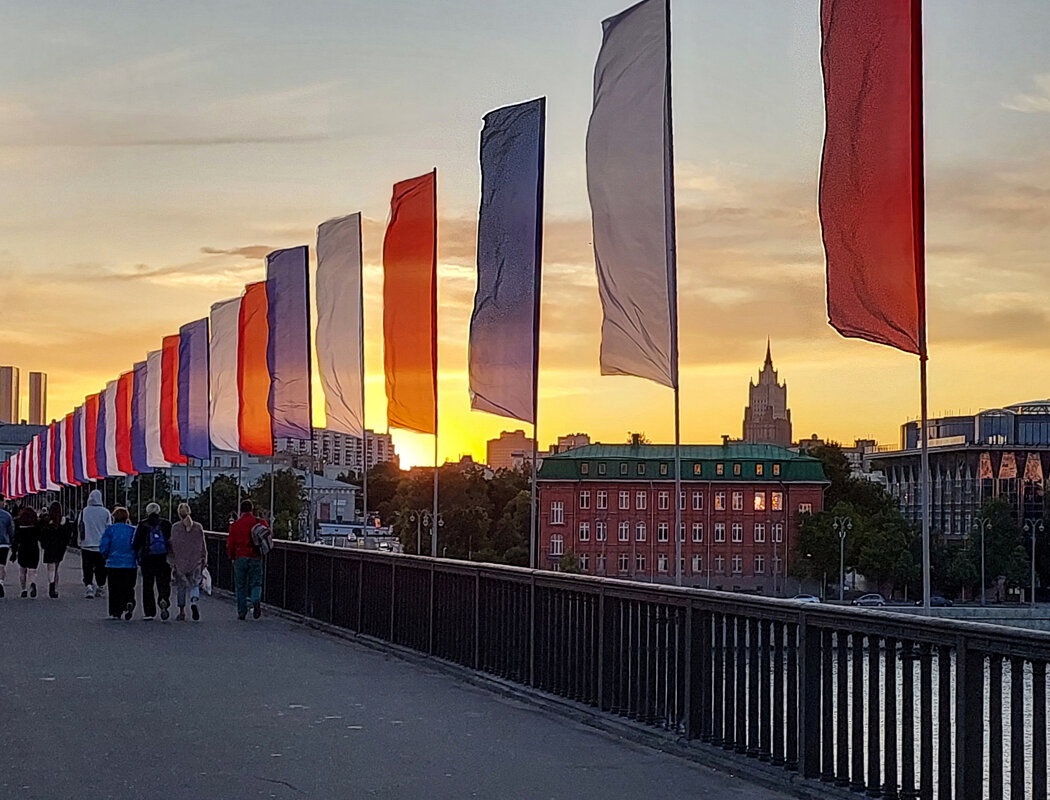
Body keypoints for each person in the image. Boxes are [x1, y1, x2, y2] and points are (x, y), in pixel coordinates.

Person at [227, 499, 266, 620]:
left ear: (241, 510)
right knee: (256, 582)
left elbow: (230, 544)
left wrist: (232, 557)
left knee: (241, 586)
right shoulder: (260, 522)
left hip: (240, 557)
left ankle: (242, 612)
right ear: (252, 509)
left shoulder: (235, 525)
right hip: (256, 556)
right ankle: (255, 599)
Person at [133, 502, 172, 621]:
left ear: (147, 511)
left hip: (147, 558)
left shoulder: (143, 524)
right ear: (159, 511)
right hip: (163, 558)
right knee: (164, 581)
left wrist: (137, 556)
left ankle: (149, 611)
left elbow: (136, 543)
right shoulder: (166, 524)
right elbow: (171, 541)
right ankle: (163, 599)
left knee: (148, 584)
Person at [98, 507, 137, 620]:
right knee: (129, 587)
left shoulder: (110, 530)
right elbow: (136, 545)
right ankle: (129, 601)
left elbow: (104, 546)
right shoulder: (132, 530)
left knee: (114, 588)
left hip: (113, 563)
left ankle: (116, 611)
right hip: (130, 564)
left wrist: (105, 555)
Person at [170, 503, 207, 621]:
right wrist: (204, 558)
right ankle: (194, 601)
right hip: (195, 561)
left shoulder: (175, 528)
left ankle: (182, 612)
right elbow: (202, 545)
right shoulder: (198, 527)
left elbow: (172, 546)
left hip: (180, 562)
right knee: (195, 584)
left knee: (181, 587)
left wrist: (172, 562)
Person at [78, 489, 111, 599]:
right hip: (101, 546)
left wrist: (79, 541)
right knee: (101, 568)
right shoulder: (106, 512)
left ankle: (89, 586)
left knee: (87, 567)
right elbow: (109, 529)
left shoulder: (84, 511)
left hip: (86, 544)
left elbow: (79, 527)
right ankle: (100, 586)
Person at [39, 502, 72, 598]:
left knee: (51, 568)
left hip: (49, 547)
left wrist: (44, 544)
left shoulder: (46, 520)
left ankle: (51, 584)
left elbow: (42, 534)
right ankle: (55, 587)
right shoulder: (65, 521)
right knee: (56, 568)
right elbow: (68, 535)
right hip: (60, 548)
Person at [11, 507, 41, 598]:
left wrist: (13, 552)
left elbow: (15, 539)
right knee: (32, 570)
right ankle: (32, 583)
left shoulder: (18, 524)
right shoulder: (36, 524)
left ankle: (23, 589)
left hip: (22, 549)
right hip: (34, 548)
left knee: (22, 570)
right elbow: (40, 536)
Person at [0, 494, 13, 599]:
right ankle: (1, 581)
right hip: (3, 543)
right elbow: (11, 531)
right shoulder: (7, 515)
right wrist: (13, 543)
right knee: (2, 565)